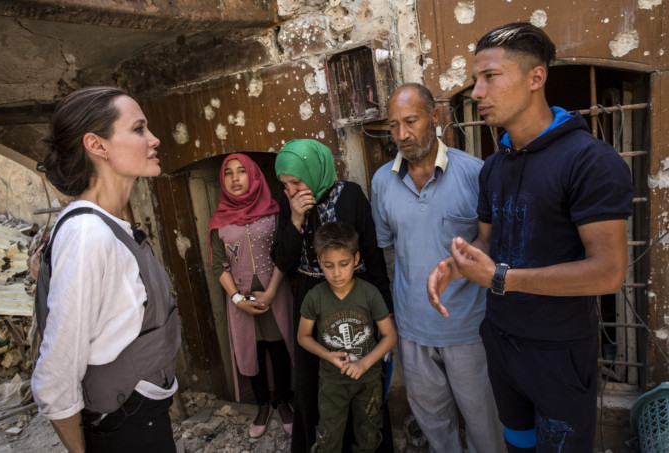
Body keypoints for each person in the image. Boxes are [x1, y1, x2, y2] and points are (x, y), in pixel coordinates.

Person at [427, 22, 635, 452]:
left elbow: (609, 272)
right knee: (517, 444)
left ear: (535, 77)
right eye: (475, 80)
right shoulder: (494, 167)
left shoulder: (589, 160)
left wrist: (500, 278)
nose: (477, 92)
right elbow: (487, 244)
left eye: (490, 77)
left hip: (559, 352)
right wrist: (456, 266)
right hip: (502, 342)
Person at [31, 86, 181, 453]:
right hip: (124, 430)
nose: (154, 139)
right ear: (97, 145)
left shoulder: (107, 225)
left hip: (143, 418)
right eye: (138, 129)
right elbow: (55, 375)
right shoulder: (88, 234)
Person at [370, 83, 503, 453]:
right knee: (433, 422)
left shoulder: (475, 174)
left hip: (470, 328)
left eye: (411, 121)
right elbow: (389, 252)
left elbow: (492, 248)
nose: (402, 134)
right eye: (393, 125)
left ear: (435, 117)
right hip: (413, 329)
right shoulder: (382, 181)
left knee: (484, 422)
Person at [271, 138, 394, 453]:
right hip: (311, 295)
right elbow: (283, 261)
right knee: (313, 378)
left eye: (296, 182)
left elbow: (372, 253)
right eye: (285, 185)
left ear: (314, 172)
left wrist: (385, 308)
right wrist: (295, 220)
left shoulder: (350, 195)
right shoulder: (288, 204)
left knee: (360, 370)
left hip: (355, 294)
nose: (291, 190)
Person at [207, 153, 294, 438]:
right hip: (240, 300)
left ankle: (284, 401)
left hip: (275, 293)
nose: (235, 179)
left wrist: (270, 293)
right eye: (228, 173)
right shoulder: (219, 221)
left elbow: (284, 253)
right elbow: (218, 265)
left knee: (279, 346)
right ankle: (262, 405)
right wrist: (238, 300)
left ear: (254, 176)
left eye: (241, 171)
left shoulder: (274, 211)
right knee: (252, 350)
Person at [298, 221, 397, 452]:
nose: (336, 273)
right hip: (332, 382)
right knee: (328, 438)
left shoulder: (369, 294)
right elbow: (303, 337)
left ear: (356, 258)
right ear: (319, 262)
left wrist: (364, 363)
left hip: (368, 381)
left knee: (368, 436)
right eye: (328, 265)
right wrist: (327, 355)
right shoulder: (315, 297)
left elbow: (390, 336)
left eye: (343, 264)